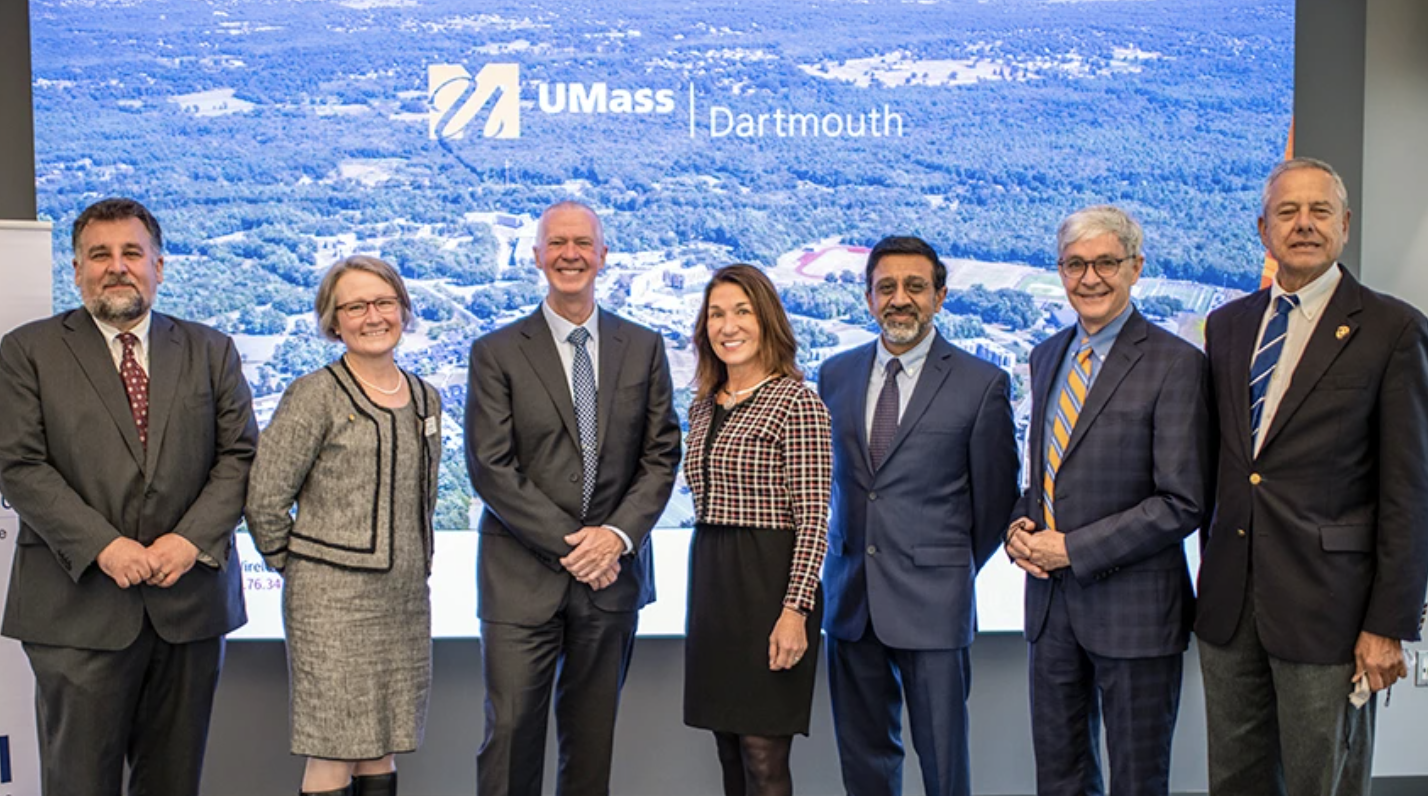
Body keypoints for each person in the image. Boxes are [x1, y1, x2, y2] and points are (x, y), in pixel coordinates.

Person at [0, 197, 257, 795]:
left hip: (188, 607)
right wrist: (105, 546)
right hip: (77, 608)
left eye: (132, 253)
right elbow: (18, 463)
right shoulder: (27, 352)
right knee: (78, 784)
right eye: (100, 254)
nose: (117, 266)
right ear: (77, 271)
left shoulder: (210, 350)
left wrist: (189, 541)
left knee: (172, 783)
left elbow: (240, 456)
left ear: (159, 267)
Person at [1196, 157, 1428, 796]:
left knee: (1322, 782)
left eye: (1319, 211)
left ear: (1345, 225)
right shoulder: (1229, 325)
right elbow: (1226, 467)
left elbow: (1409, 493)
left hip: (1332, 611)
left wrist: (1389, 624)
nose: (1304, 224)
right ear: (1263, 229)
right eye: (1287, 212)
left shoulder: (1394, 329)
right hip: (1230, 607)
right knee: (1235, 781)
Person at [465, 200, 681, 796]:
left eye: (582, 243)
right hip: (520, 580)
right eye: (556, 243)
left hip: (611, 582)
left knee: (591, 748)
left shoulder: (643, 346)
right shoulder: (497, 351)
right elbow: (491, 466)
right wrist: (578, 546)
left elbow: (661, 455)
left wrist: (613, 539)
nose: (570, 254)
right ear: (536, 257)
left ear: (603, 256)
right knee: (509, 740)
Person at [1005, 206, 1210, 796]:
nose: (1089, 278)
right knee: (1060, 778)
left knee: (1138, 781)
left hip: (1136, 614)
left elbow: (1182, 501)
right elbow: (1045, 479)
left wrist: (1071, 548)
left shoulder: (1176, 364)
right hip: (1050, 610)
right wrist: (1019, 527)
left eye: (1105, 263)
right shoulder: (1047, 356)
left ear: (1136, 268)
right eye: (1075, 264)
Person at [818, 236, 1018, 796]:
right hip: (852, 602)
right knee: (865, 765)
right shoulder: (835, 375)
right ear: (868, 298)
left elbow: (995, 502)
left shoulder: (981, 384)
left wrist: (945, 566)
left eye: (914, 287)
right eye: (886, 287)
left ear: (940, 296)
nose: (899, 299)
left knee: (944, 767)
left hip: (935, 604)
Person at [245, 256, 441, 796]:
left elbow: (419, 500)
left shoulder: (426, 396)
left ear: (403, 308)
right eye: (355, 306)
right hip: (330, 606)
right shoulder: (315, 395)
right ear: (334, 321)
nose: (372, 316)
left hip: (403, 601)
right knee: (333, 750)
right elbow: (264, 499)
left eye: (383, 302)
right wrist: (305, 567)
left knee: (380, 747)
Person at [683, 263, 832, 796]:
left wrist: (795, 611)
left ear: (766, 320)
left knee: (763, 757)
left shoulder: (798, 402)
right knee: (729, 749)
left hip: (770, 586)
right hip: (714, 584)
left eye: (742, 311)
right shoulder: (703, 405)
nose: (728, 325)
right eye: (717, 314)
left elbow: (815, 518)